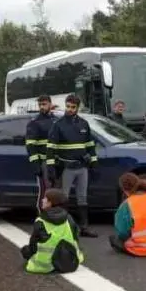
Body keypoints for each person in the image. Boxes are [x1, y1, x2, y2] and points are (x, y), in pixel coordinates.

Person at [46, 94, 99, 238]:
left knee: (83, 198)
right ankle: (65, 228)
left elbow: (90, 144)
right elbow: (51, 148)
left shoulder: (83, 124)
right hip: (66, 168)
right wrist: (51, 168)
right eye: (68, 106)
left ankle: (84, 228)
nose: (69, 109)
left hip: (82, 168)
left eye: (73, 107)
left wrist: (93, 160)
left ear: (78, 108)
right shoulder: (58, 125)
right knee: (64, 198)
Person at [21, 189, 83, 274]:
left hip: (46, 265)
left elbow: (33, 246)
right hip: (69, 262)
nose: (42, 200)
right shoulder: (69, 218)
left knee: (25, 250)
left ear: (50, 203)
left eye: (45, 199)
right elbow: (75, 238)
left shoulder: (41, 221)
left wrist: (27, 252)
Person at [26, 95, 55, 215]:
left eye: (44, 104)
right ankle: (42, 215)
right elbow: (30, 145)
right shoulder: (34, 123)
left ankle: (52, 214)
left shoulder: (55, 120)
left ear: (50, 104)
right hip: (43, 163)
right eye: (40, 105)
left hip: (54, 162)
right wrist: (36, 165)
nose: (42, 107)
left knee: (54, 191)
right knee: (44, 191)